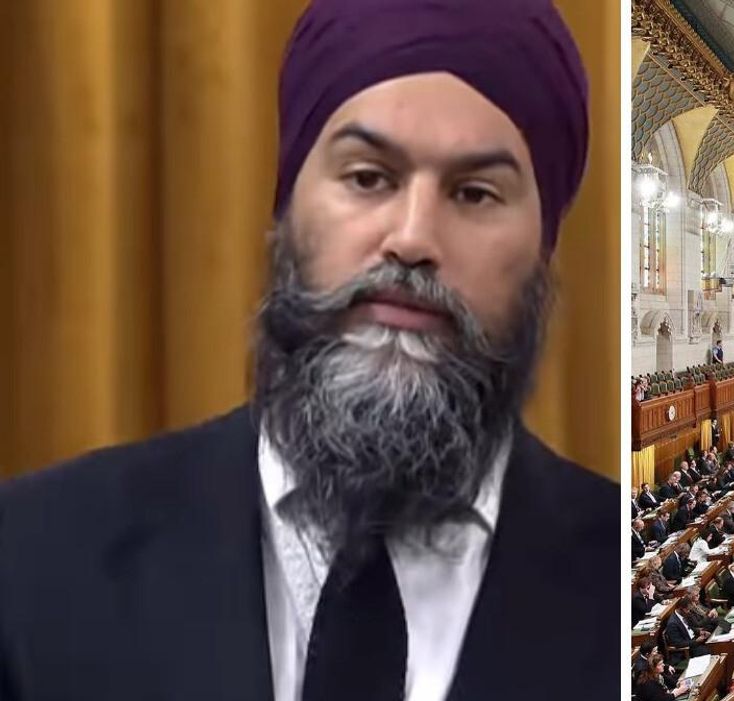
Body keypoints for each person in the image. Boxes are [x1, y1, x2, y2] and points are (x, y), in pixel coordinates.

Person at [0, 2, 615, 700]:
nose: (411, 236)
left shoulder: (615, 582)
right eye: (367, 177)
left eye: (473, 193)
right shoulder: (28, 564)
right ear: (287, 204)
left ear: (542, 249)